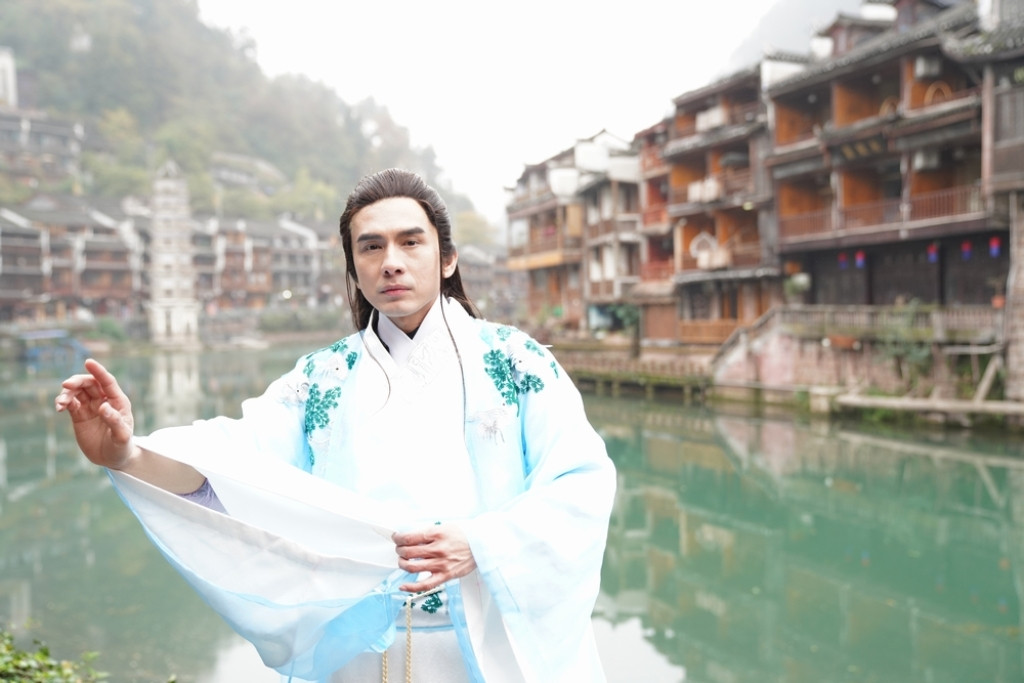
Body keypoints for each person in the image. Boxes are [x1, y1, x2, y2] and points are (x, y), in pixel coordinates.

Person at [55, 168, 617, 682]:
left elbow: (583, 484)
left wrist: (482, 544)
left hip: (489, 646)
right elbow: (231, 463)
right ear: (355, 269)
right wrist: (127, 455)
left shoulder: (516, 362)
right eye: (371, 247)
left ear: (447, 259)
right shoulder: (323, 377)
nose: (391, 261)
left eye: (410, 242)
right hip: (363, 652)